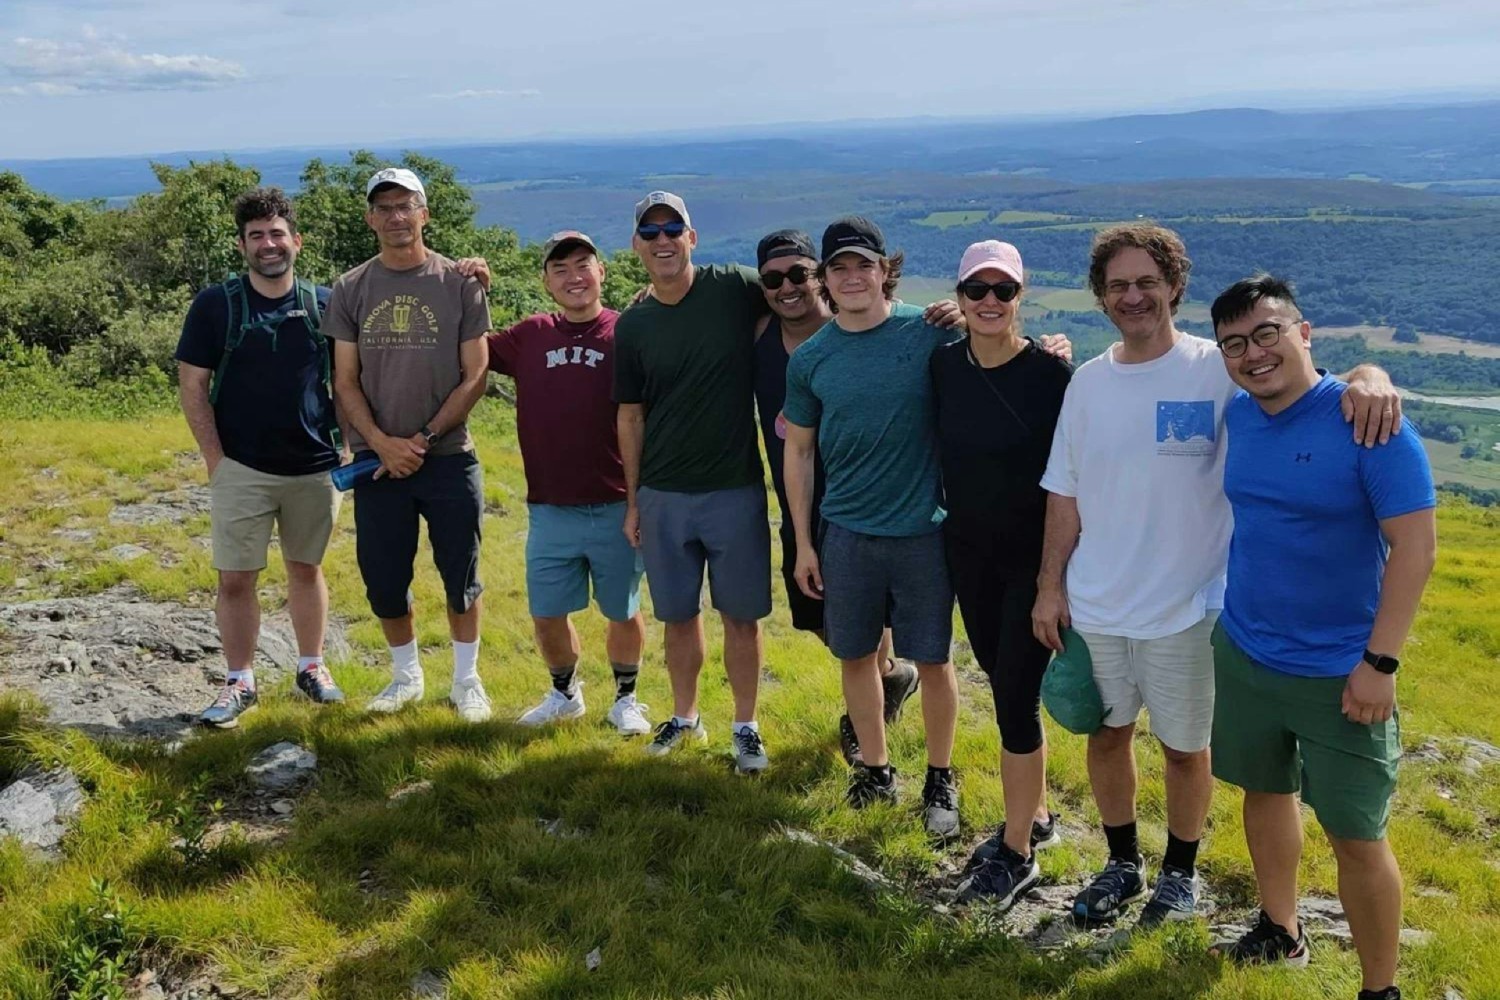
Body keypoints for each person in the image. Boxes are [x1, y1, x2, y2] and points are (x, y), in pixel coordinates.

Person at [1032, 223, 1403, 927]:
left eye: (1147, 282)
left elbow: (1302, 380)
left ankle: (1179, 872)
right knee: (1105, 736)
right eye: (1118, 286)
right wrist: (1051, 586)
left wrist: (1371, 377)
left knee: (1184, 748)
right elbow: (1064, 491)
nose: (1133, 296)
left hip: (1188, 606)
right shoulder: (1087, 382)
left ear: (1175, 285)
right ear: (1101, 298)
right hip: (1097, 602)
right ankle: (1121, 863)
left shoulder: (1217, 366)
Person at [1206, 275, 1435, 1000]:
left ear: (1305, 334)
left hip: (1341, 673)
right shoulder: (1240, 416)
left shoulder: (1370, 421)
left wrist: (1380, 662)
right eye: (1235, 343)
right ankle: (1281, 928)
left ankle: (1379, 989)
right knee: (1263, 791)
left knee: (1357, 835)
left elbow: (1416, 548)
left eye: (1269, 333)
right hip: (1244, 650)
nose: (1253, 353)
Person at [783, 216, 965, 838]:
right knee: (856, 655)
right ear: (825, 280)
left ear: (886, 270)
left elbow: (993, 360)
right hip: (847, 533)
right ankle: (876, 770)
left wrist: (1042, 348)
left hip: (923, 529)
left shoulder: (929, 332)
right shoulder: (811, 358)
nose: (853, 276)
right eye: (840, 268)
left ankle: (941, 776)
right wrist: (805, 542)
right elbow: (799, 452)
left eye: (865, 265)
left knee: (935, 661)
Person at [613, 191, 774, 773]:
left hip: (734, 487)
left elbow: (798, 290)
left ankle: (745, 725)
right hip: (662, 494)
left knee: (741, 616)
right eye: (649, 232)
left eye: (672, 228)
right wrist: (633, 501)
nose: (662, 240)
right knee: (676, 616)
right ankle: (685, 717)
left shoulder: (733, 287)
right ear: (636, 245)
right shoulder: (633, 326)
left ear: (692, 236)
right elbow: (629, 415)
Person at [326, 167, 493, 722]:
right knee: (384, 577)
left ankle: (467, 682)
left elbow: (476, 374)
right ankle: (406, 677)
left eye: (407, 205)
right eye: (385, 207)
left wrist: (419, 440)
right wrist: (381, 443)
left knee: (461, 575)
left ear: (424, 213)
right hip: (378, 463)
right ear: (370, 218)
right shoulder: (352, 288)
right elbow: (344, 379)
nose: (397, 216)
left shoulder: (460, 283)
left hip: (448, 458)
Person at [931, 240, 1070, 906]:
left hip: (1034, 564)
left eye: (1003, 291)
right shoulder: (941, 367)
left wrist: (1056, 580)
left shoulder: (1051, 376)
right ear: (959, 297)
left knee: (1015, 695)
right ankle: (1037, 816)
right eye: (976, 290)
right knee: (999, 678)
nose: (989, 302)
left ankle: (1016, 853)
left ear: (1022, 296)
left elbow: (1076, 476)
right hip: (968, 555)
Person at [177, 186, 345, 727]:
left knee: (306, 568)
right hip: (241, 467)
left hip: (315, 465)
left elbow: (350, 382)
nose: (268, 244)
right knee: (235, 578)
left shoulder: (325, 303)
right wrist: (216, 461)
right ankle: (239, 680)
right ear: (242, 245)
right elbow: (193, 385)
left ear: (296, 240)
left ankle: (311, 667)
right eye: (256, 236)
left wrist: (346, 446)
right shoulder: (214, 305)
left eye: (276, 234)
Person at [752, 229, 917, 762]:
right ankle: (890, 677)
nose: (788, 287)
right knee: (826, 622)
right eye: (773, 279)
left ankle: (866, 727)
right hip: (802, 505)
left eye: (798, 274)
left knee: (861, 628)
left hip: (866, 506)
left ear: (816, 275)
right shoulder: (759, 334)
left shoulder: (857, 326)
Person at [486, 231, 649, 735]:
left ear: (601, 272)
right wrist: (472, 286)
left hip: (615, 503)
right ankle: (565, 693)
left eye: (583, 265)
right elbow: (470, 349)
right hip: (549, 507)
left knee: (622, 610)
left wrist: (638, 501)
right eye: (561, 269)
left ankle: (626, 699)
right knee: (546, 613)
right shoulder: (529, 334)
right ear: (546, 282)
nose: (574, 277)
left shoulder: (627, 333)